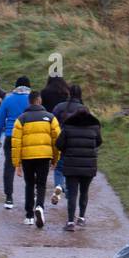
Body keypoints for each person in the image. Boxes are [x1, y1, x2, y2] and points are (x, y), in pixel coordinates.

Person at [10, 90, 61, 228]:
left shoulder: (21, 119)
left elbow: (15, 142)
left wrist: (17, 164)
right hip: (44, 156)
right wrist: (56, 158)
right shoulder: (50, 118)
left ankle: (29, 216)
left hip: (27, 157)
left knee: (29, 184)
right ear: (40, 101)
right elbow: (57, 139)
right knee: (42, 184)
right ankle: (39, 206)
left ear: (29, 102)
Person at [55, 91, 102, 230]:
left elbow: (58, 144)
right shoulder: (94, 128)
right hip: (89, 166)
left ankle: (70, 222)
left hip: (71, 165)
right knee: (84, 192)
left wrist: (66, 150)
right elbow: (99, 142)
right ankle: (81, 217)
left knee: (72, 193)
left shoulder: (68, 127)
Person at [0, 75, 32, 210]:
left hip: (11, 136)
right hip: (28, 137)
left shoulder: (8, 100)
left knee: (9, 166)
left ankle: (9, 198)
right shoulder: (33, 100)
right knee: (29, 167)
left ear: (16, 86)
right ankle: (31, 197)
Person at [40, 76, 69, 204]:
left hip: (48, 126)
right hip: (65, 129)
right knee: (65, 161)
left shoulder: (44, 93)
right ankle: (66, 189)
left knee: (51, 153)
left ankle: (51, 164)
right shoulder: (66, 93)